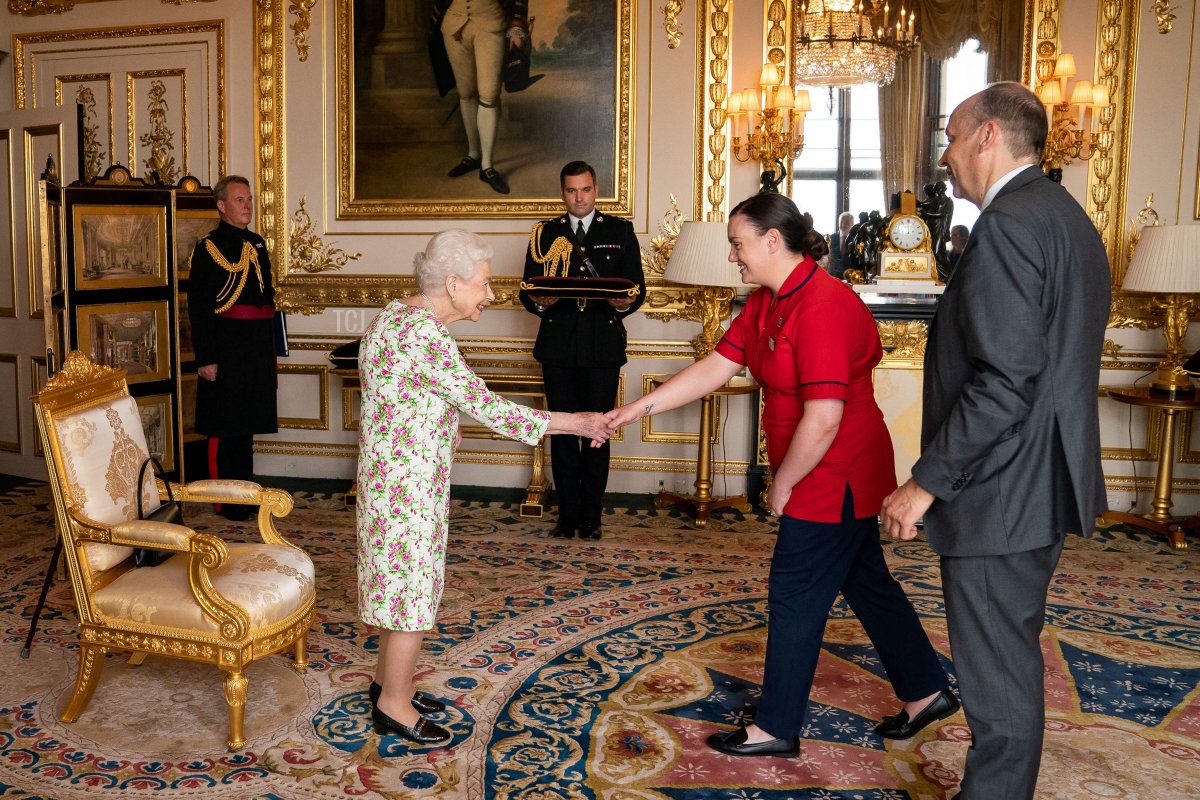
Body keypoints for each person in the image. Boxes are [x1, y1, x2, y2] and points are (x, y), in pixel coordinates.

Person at [605, 193, 955, 759]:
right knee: (865, 581)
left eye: (737, 245)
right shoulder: (769, 301)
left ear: (772, 240)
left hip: (834, 465)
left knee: (794, 593)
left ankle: (775, 727)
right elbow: (715, 367)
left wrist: (782, 483)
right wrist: (635, 411)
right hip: (821, 460)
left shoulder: (823, 305)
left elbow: (823, 419)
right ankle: (926, 693)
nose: (732, 257)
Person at [879, 82, 1110, 800]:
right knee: (1007, 659)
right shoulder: (1066, 216)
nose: (944, 156)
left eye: (951, 137)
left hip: (1000, 488)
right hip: (1043, 477)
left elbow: (1006, 381)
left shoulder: (1009, 224)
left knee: (998, 679)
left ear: (987, 138)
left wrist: (924, 483)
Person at [357, 229, 610, 745]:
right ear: (452, 284)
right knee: (412, 593)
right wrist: (578, 423)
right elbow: (489, 408)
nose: (491, 294)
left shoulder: (394, 315)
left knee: (395, 584)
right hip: (408, 489)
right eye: (484, 283)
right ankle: (394, 704)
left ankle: (388, 681)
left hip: (387, 480)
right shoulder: (423, 334)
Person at [520, 160, 646, 541]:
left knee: (597, 433)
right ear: (563, 193)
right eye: (572, 190)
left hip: (601, 347)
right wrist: (541, 301)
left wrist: (625, 304)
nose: (579, 197)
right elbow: (527, 289)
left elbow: (637, 288)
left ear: (596, 190)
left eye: (586, 190)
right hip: (558, 347)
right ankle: (567, 515)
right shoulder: (544, 234)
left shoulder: (620, 231)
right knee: (561, 433)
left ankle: (592, 516)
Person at [187, 175, 277, 521]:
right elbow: (199, 308)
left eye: (249, 199)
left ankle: (247, 494)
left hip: (254, 349)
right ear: (221, 206)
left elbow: (265, 301)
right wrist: (206, 358)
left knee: (247, 425)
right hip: (225, 348)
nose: (247, 206)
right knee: (226, 428)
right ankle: (225, 499)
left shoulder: (256, 244)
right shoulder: (208, 248)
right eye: (240, 200)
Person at [430, 0, 528, 195]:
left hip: (490, 22)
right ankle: (473, 155)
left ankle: (487, 166)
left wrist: (517, 25)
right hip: (453, 25)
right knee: (465, 93)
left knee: (489, 95)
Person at [827, 211, 854, 278]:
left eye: (846, 223)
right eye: (841, 222)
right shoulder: (832, 238)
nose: (843, 225)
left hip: (850, 276)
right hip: (833, 276)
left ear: (852, 224)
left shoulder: (855, 239)